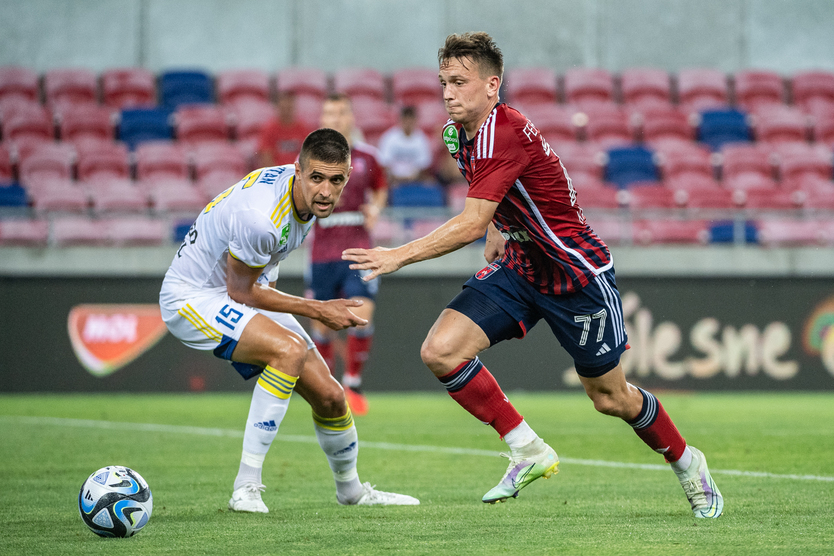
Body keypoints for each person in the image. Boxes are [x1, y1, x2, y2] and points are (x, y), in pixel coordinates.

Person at [343, 32, 722, 518]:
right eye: (443, 82)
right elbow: (498, 194)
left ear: (492, 85)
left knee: (610, 398)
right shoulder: (458, 134)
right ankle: (527, 449)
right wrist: (498, 225)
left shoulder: (504, 131)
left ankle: (689, 464)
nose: (447, 93)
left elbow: (470, 220)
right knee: (441, 350)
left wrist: (399, 255)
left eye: (459, 82)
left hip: (575, 274)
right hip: (522, 267)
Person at [160, 128, 418, 512]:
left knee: (330, 396)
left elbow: (262, 276)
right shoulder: (261, 217)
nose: (326, 191)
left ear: (348, 176)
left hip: (239, 288)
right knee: (288, 350)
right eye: (317, 178)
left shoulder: (303, 201)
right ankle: (245, 487)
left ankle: (351, 491)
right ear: (298, 169)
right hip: (191, 297)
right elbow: (241, 291)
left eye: (336, 180)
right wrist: (320, 309)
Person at [305, 94, 388, 416]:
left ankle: (353, 382)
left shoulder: (368, 156)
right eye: (329, 113)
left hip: (357, 244)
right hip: (322, 249)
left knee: (362, 312)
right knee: (322, 324)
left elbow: (380, 188)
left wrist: (375, 208)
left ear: (351, 118)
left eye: (340, 113)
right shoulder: (311, 159)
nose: (335, 119)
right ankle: (327, 388)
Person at [377, 105, 434, 187]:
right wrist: (395, 177)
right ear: (400, 120)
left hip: (415, 180)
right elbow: (384, 164)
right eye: (406, 119)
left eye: (411, 120)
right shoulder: (389, 138)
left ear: (415, 120)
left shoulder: (421, 139)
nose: (408, 123)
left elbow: (424, 166)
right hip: (393, 181)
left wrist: (413, 177)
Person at [256, 92, 313, 167]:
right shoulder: (269, 130)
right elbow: (266, 158)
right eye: (283, 108)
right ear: (278, 108)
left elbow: (309, 156)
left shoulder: (303, 129)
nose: (286, 112)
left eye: (289, 108)